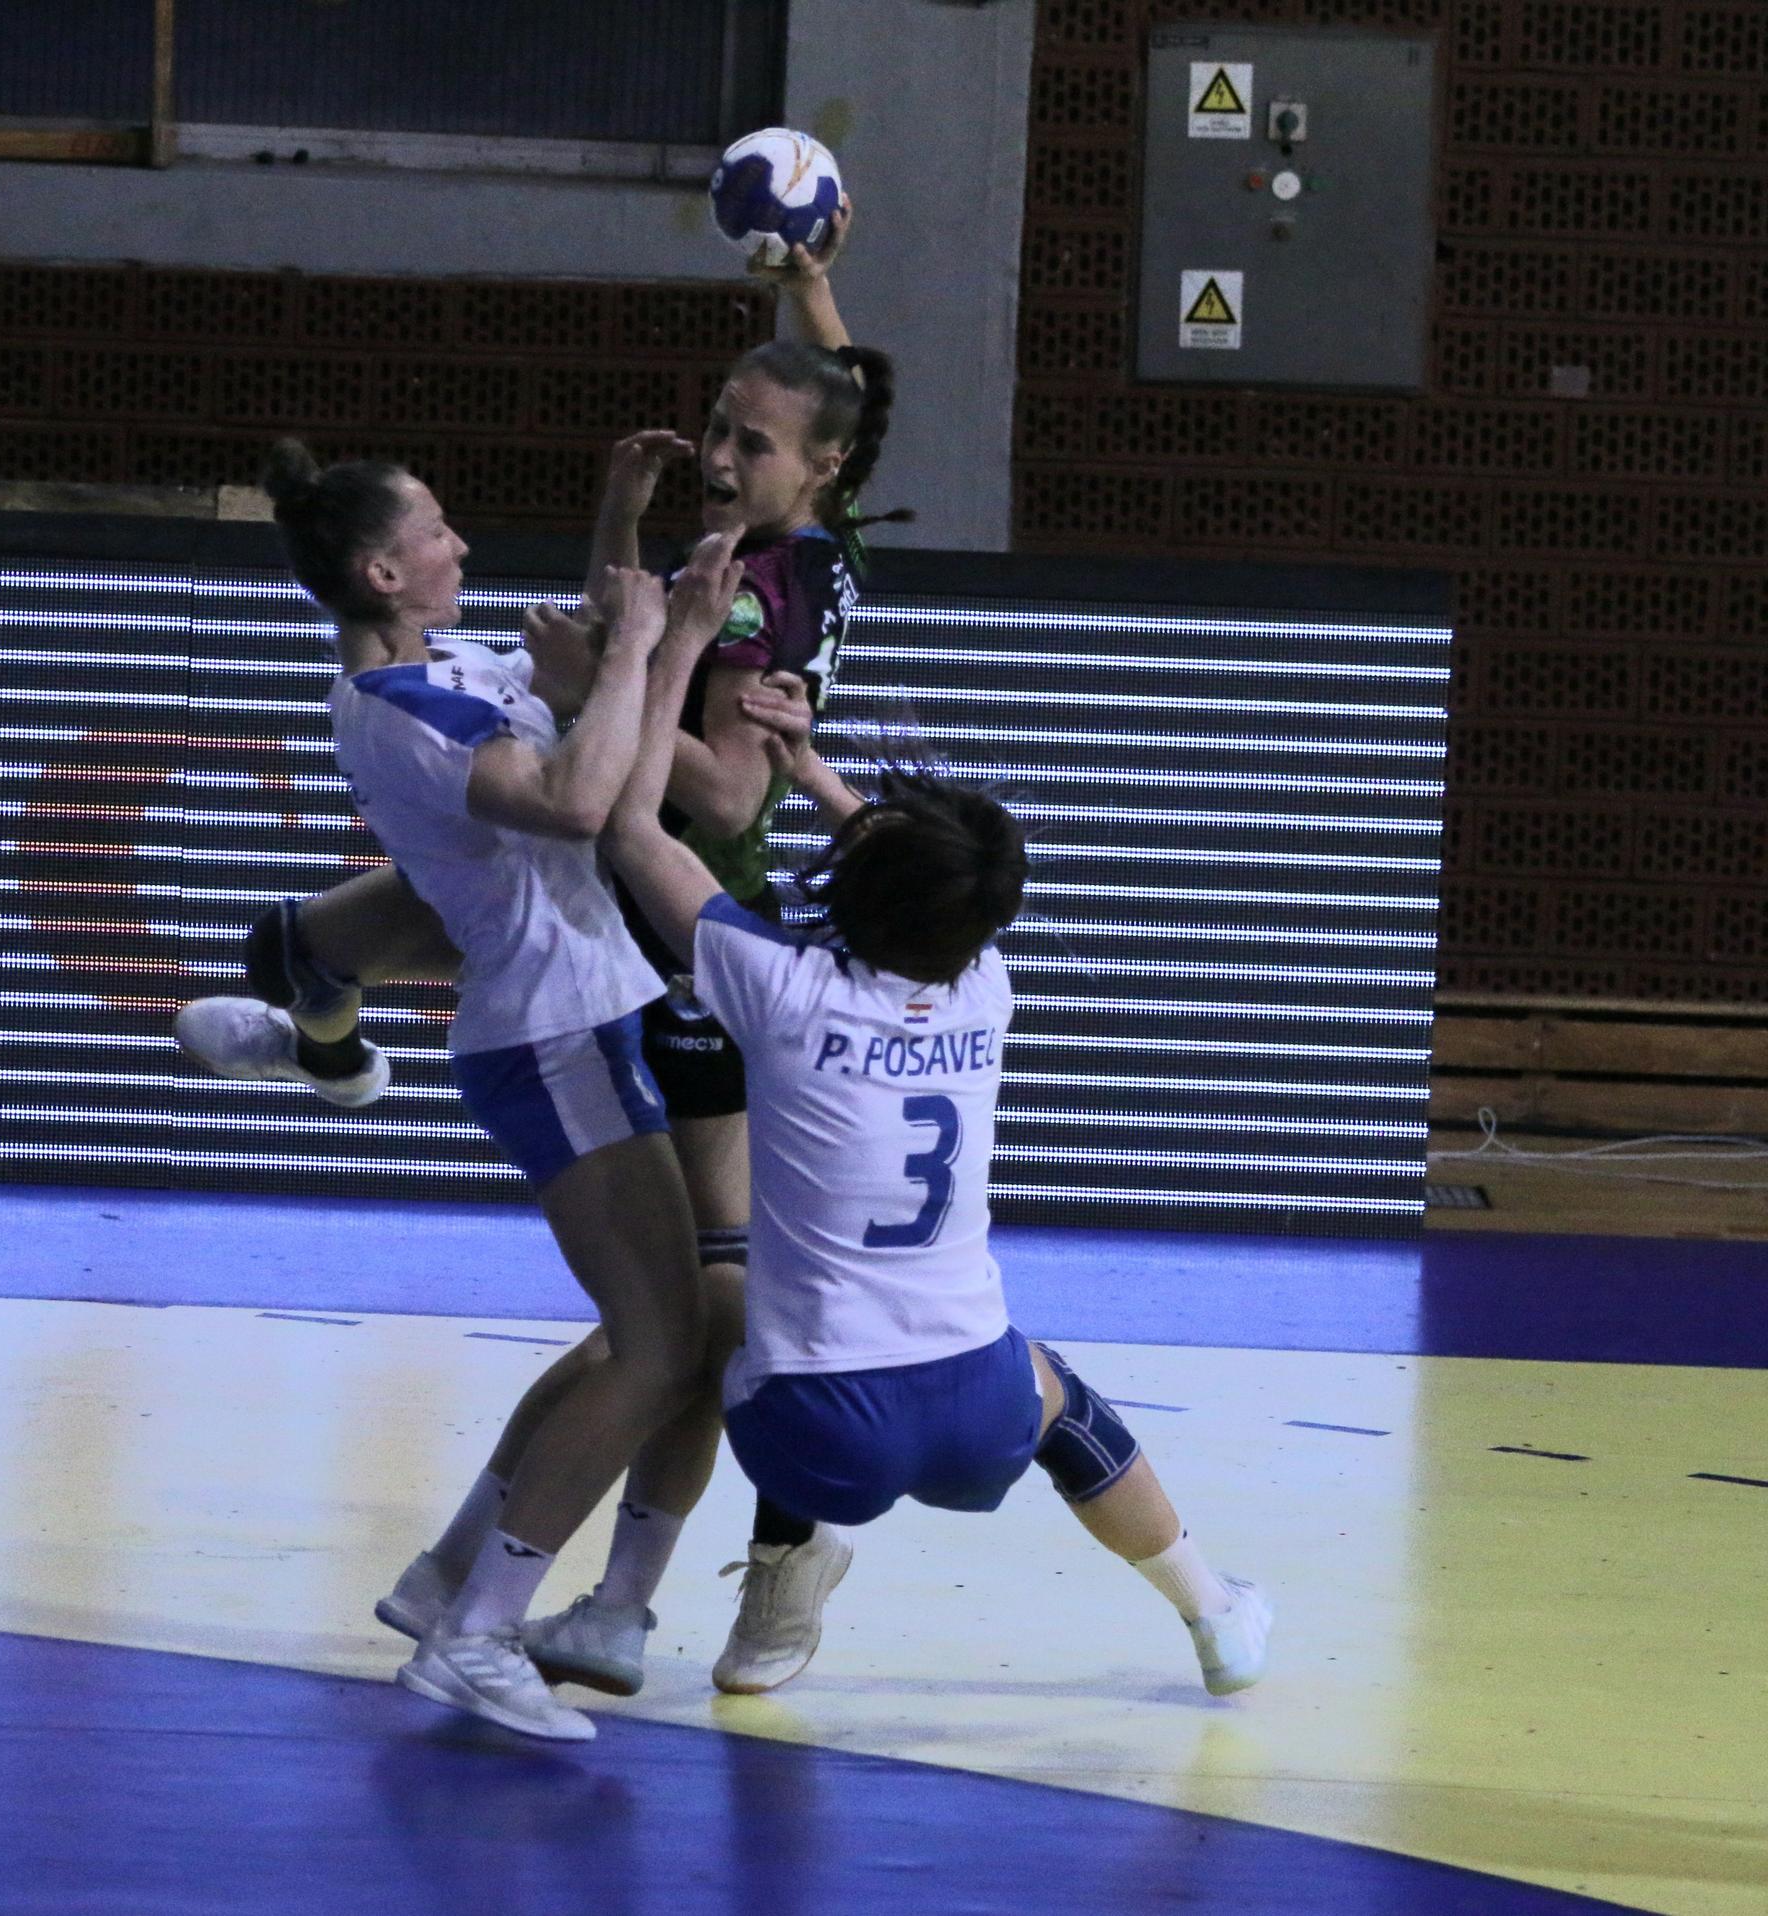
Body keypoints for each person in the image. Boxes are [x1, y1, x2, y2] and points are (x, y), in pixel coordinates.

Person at [179, 216, 909, 1695]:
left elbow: (698, 767)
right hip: (569, 985)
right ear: (388, 573)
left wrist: (630, 621)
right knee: (663, 1334)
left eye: (744, 440)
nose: (716, 454)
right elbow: (592, 752)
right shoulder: (430, 692)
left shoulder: (767, 586)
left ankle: (543, 1586)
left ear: (817, 468)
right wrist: (647, 610)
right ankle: (503, 1615)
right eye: (713, 424)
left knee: (679, 1324)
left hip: (635, 955)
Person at [584, 620, 1277, 1703]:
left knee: (722, 1322)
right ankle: (1214, 1612)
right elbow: (926, 880)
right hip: (975, 1415)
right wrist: (809, 767)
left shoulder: (778, 984)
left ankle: (726, 1596)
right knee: (1060, 1398)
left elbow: (630, 827)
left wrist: (653, 652)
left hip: (813, 1431)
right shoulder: (982, 981)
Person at [191, 437, 749, 1742]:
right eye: (438, 529)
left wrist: (631, 534)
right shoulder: (410, 715)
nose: (463, 547)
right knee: (664, 1347)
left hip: (563, 1026)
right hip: (551, 1040)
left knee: (642, 1339)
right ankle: (476, 1635)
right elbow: (575, 797)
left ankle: (452, 1580)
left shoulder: (433, 671)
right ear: (384, 571)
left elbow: (588, 675)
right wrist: (648, 653)